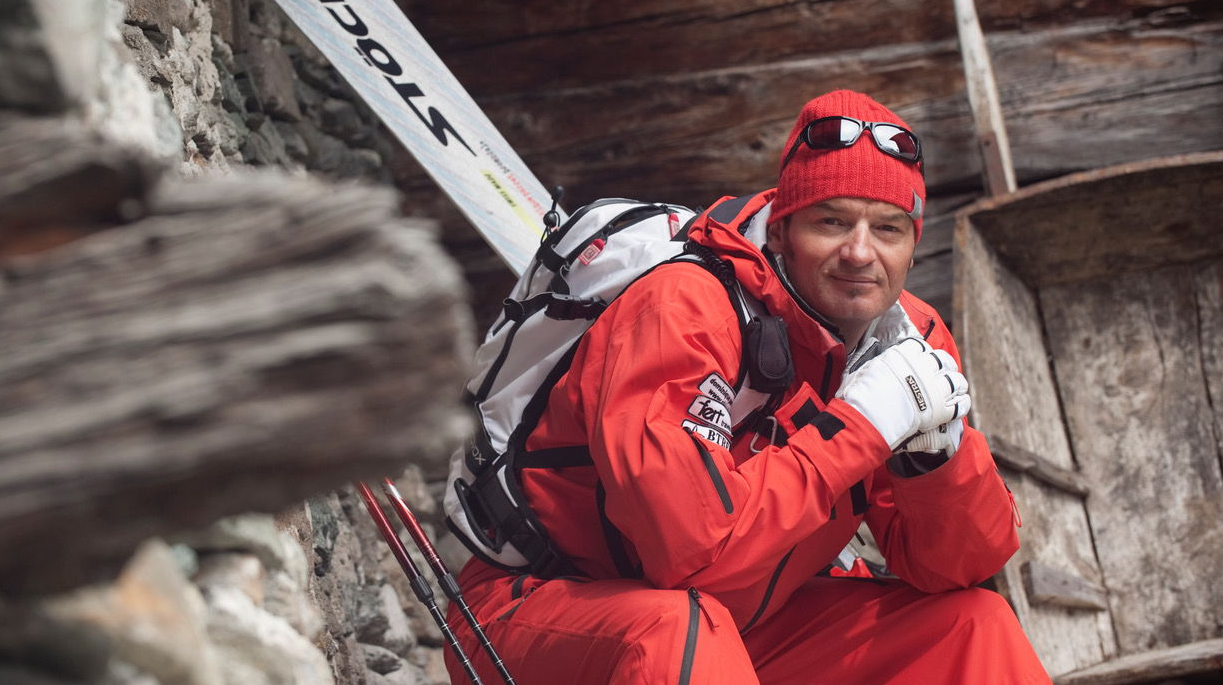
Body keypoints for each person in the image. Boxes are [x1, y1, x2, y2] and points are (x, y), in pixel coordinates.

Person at [444, 90, 1049, 683]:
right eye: (832, 221)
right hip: (549, 611)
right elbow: (687, 551)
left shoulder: (907, 338)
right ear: (782, 230)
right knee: (675, 633)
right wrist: (860, 427)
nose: (860, 253)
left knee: (973, 623)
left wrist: (937, 463)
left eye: (888, 228)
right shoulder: (682, 307)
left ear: (914, 246)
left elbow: (955, 568)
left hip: (747, 623)